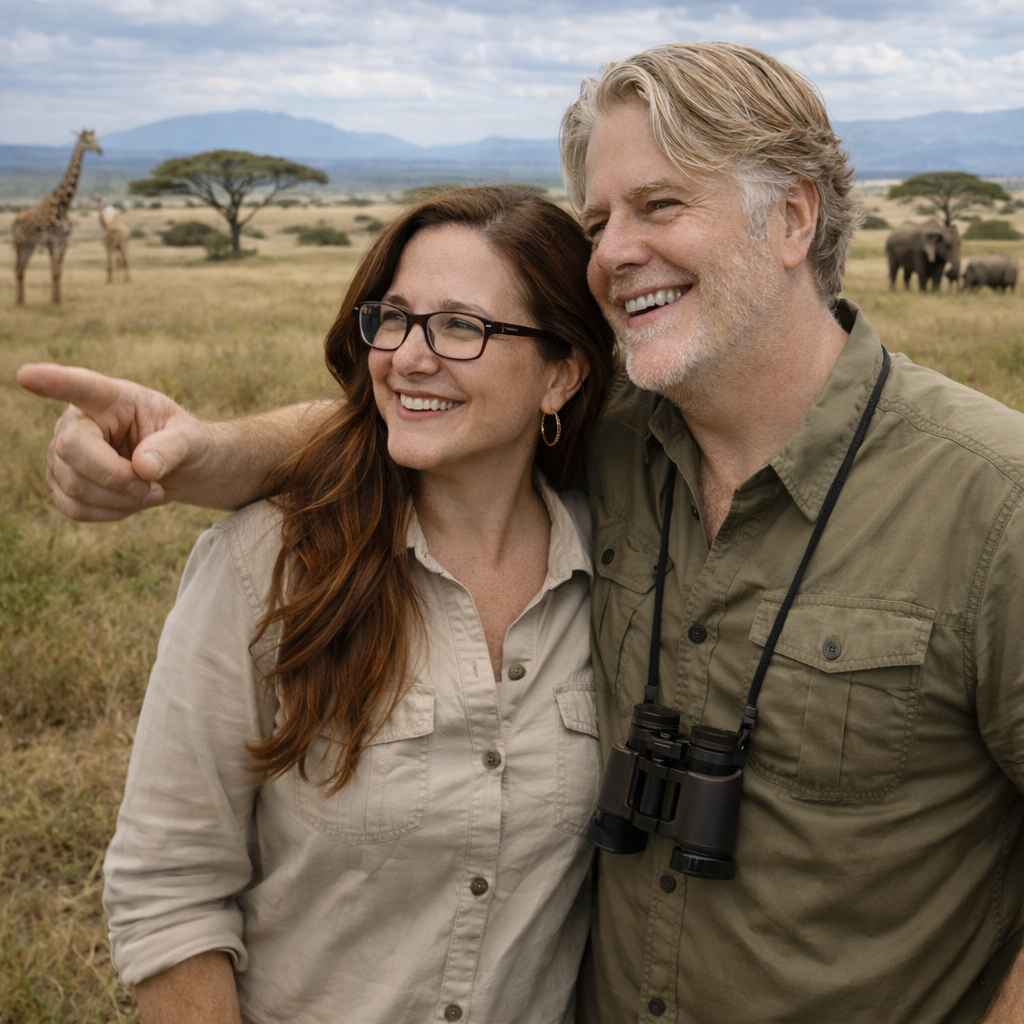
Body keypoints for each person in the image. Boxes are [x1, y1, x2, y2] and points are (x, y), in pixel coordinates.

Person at [18, 41, 1024, 1024]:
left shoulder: (991, 499)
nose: (614, 251)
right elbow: (430, 408)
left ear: (793, 216)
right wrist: (200, 453)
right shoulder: (622, 441)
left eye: (659, 204)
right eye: (597, 218)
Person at [40, 185, 617, 1024]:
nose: (410, 357)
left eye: (462, 327)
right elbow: (169, 891)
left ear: (561, 373)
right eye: (394, 317)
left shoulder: (621, 566)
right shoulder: (264, 565)